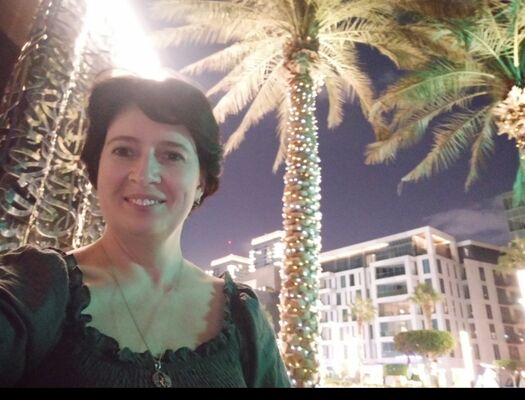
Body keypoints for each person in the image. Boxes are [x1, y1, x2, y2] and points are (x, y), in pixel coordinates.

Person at [0, 75, 291, 388]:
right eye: (124, 151)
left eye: (172, 155)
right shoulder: (36, 287)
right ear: (97, 168)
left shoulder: (243, 318)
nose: (144, 174)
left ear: (201, 181)